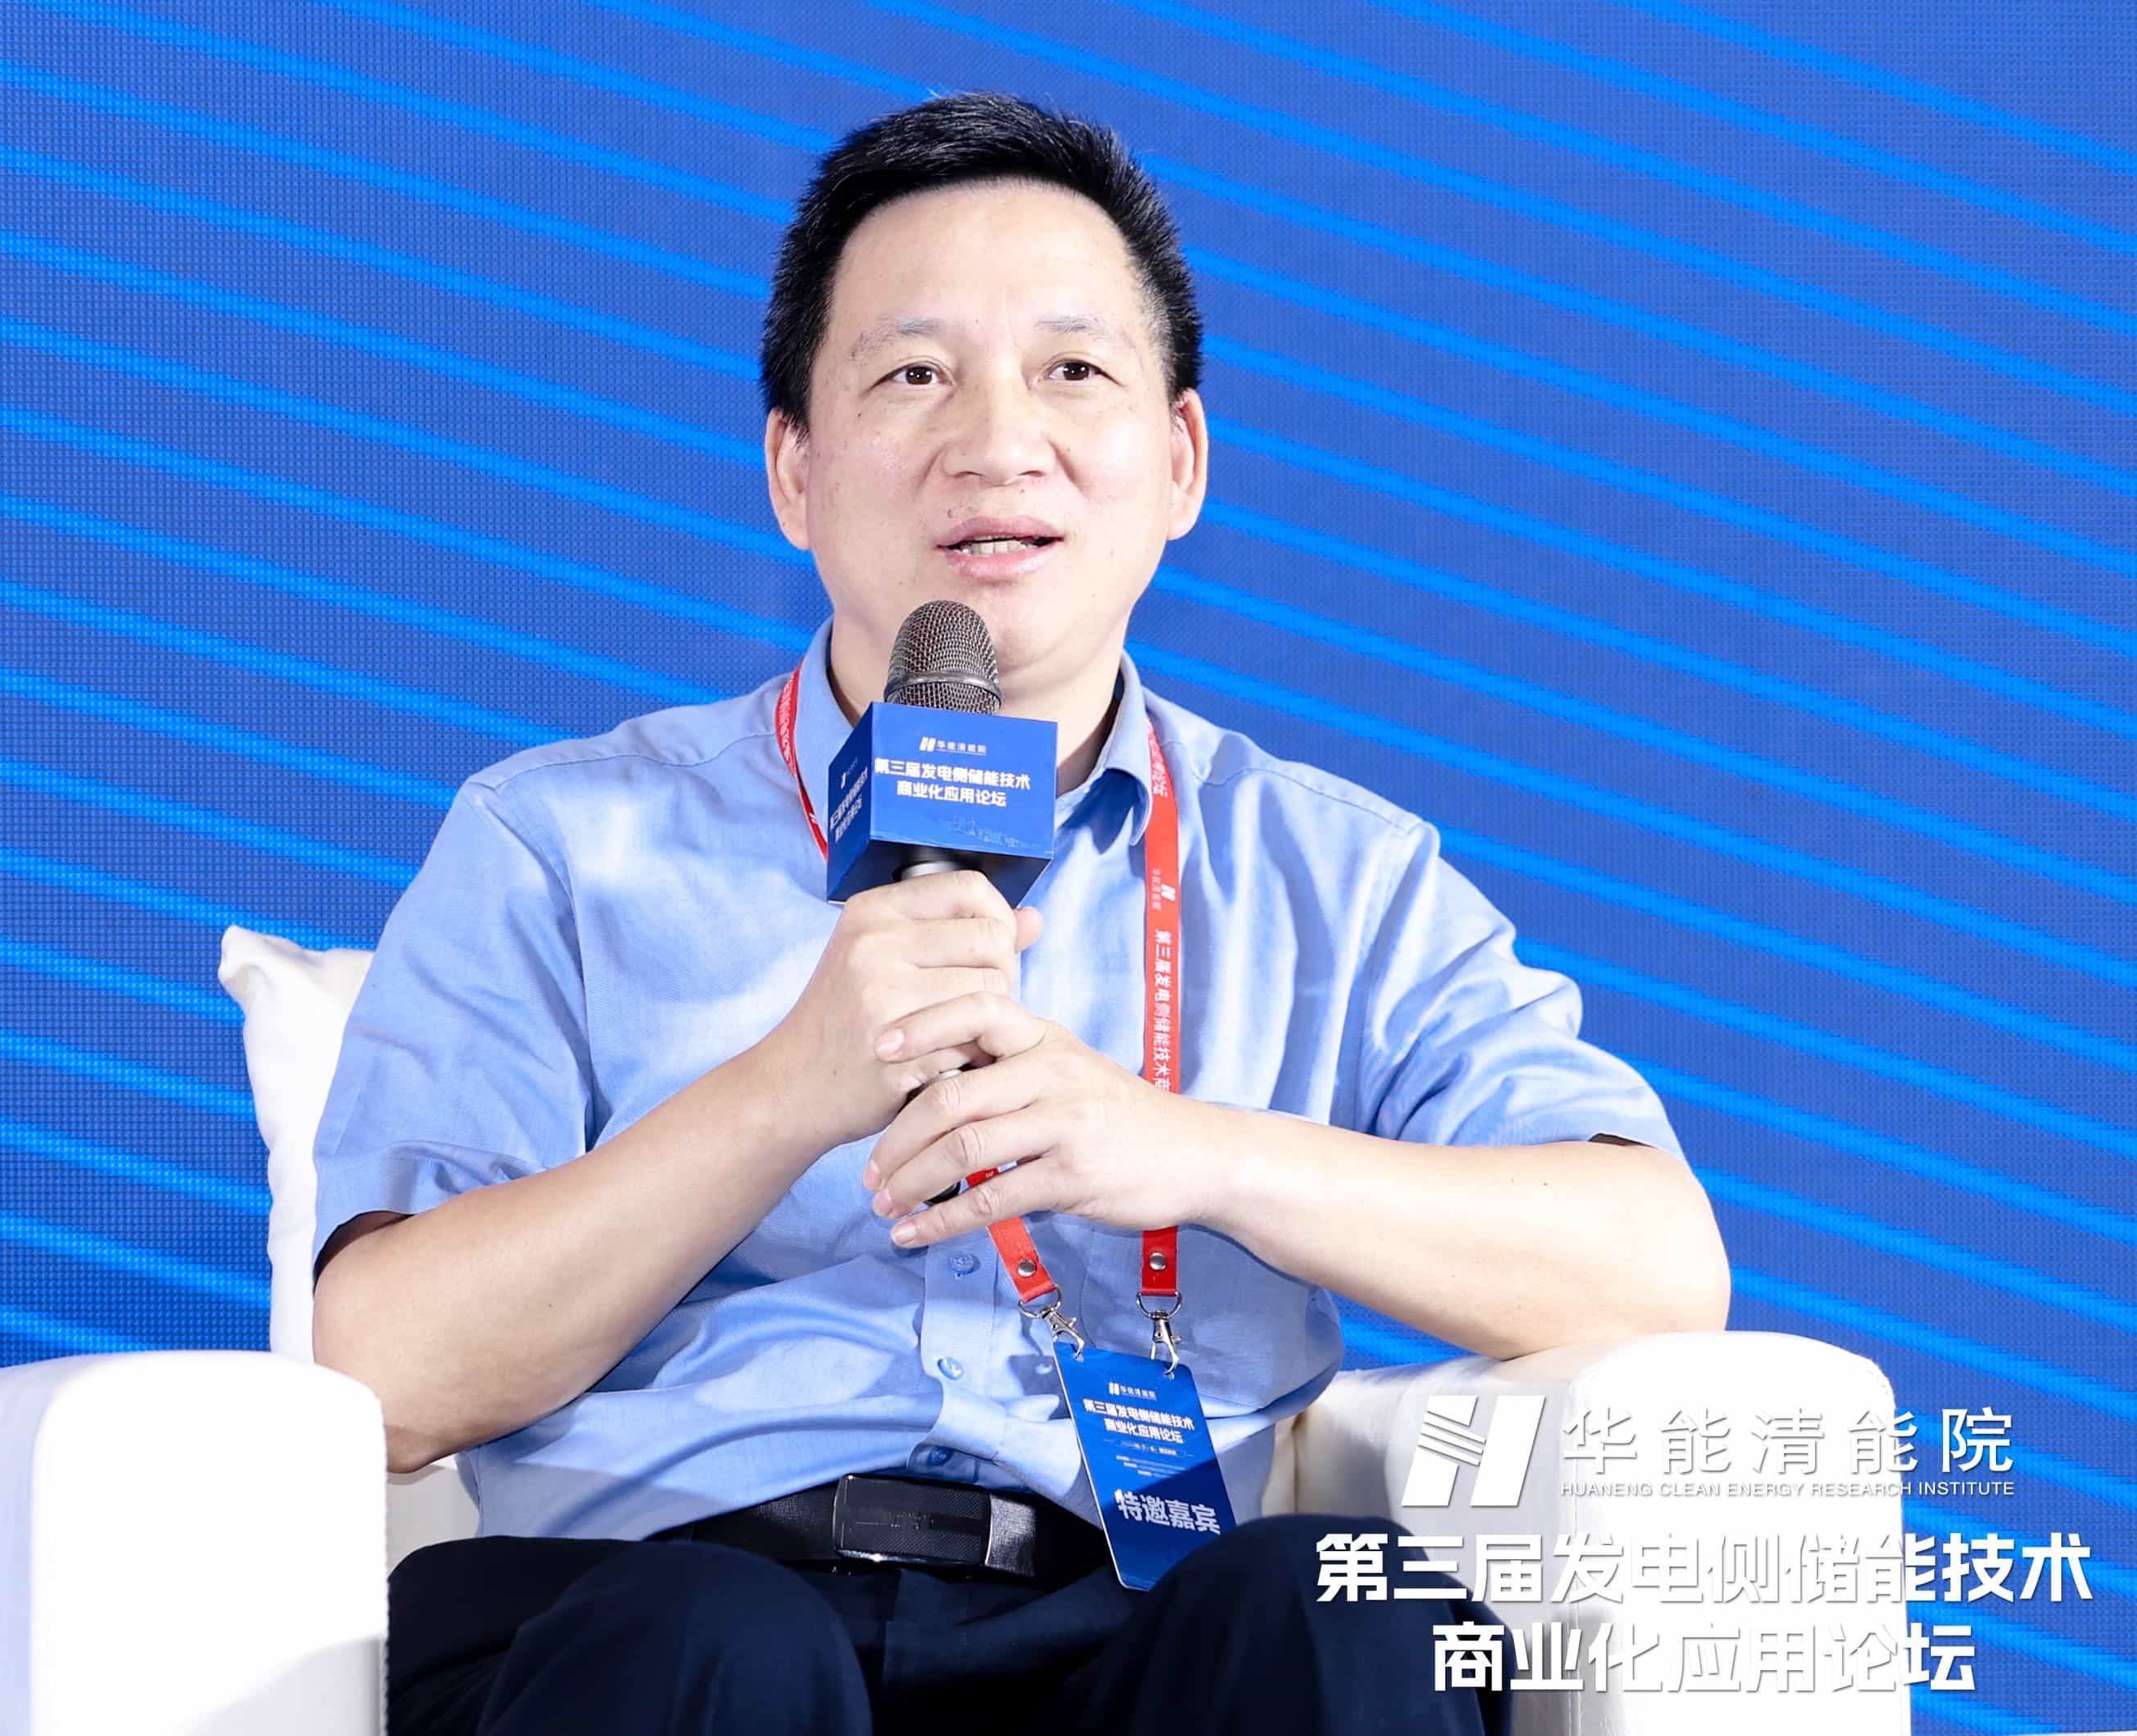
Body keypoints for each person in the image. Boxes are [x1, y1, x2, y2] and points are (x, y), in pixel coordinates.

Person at [310, 91, 1730, 1736]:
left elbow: (1653, 1264)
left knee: (1345, 1613)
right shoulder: (557, 840)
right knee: (712, 1644)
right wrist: (781, 1096)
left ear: (1180, 462)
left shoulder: (1332, 873)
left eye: (1071, 370)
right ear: (792, 469)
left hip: (1125, 1640)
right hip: (662, 1614)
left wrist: (1194, 1154)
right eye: (914, 374)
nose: (998, 441)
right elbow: (384, 1374)